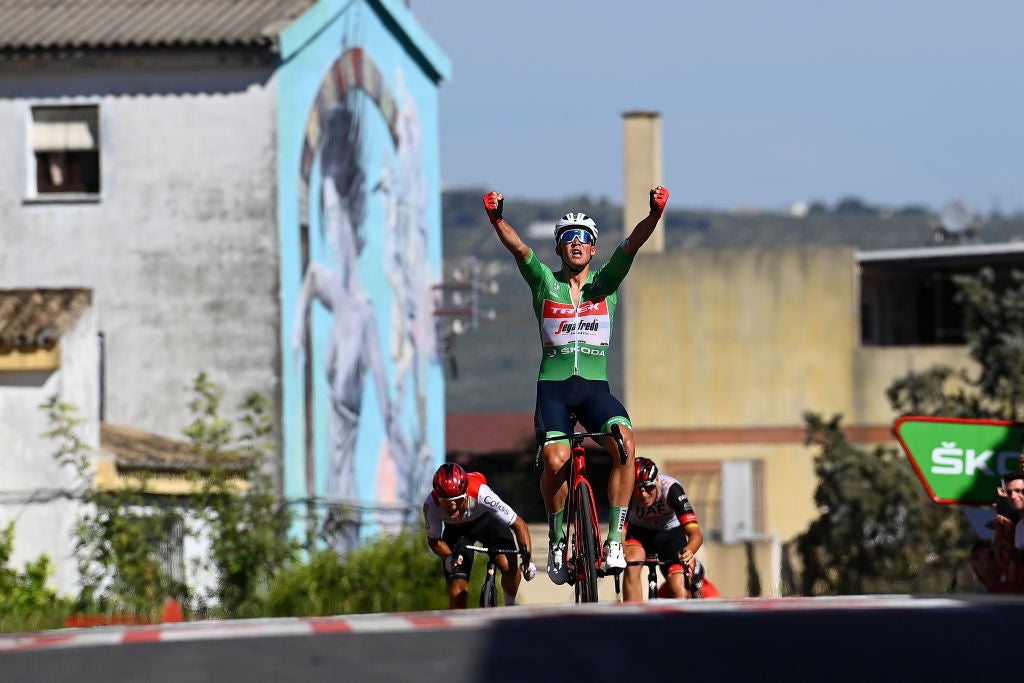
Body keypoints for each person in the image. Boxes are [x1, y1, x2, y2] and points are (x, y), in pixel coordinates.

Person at [482, 185, 670, 583]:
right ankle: (555, 538)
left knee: (625, 443)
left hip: (593, 391)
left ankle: (614, 538)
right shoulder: (544, 285)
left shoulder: (606, 284)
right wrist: (497, 220)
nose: (576, 243)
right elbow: (519, 250)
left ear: (592, 248)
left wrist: (653, 215)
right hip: (553, 390)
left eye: (584, 238)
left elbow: (632, 245)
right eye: (568, 238)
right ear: (559, 248)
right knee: (555, 460)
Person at [423, 463, 536, 608]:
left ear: (466, 493)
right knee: (458, 590)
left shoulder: (481, 492)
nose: (452, 507)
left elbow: (519, 525)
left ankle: (511, 605)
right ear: (438, 498)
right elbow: (434, 541)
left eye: (457, 500)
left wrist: (528, 560)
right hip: (456, 531)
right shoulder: (431, 504)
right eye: (446, 502)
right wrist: (448, 557)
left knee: (507, 565)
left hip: (488, 521)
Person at [621, 456, 706, 601]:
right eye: (638, 489)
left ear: (658, 481)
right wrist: (621, 548)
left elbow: (695, 533)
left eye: (649, 487)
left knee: (679, 589)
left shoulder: (671, 489)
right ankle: (633, 617)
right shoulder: (626, 491)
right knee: (631, 562)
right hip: (639, 533)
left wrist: (689, 550)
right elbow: (621, 530)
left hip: (670, 534)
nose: (643, 494)